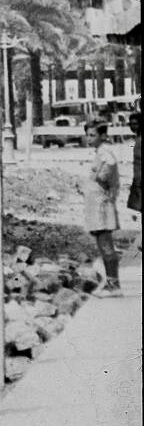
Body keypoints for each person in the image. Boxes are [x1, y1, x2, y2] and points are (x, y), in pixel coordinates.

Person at [83, 122, 121, 297]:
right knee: (103, 245)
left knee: (106, 246)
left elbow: (105, 175)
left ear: (103, 136)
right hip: (97, 205)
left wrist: (97, 176)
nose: (89, 138)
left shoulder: (105, 153)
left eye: (93, 135)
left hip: (102, 205)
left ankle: (114, 285)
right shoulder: (99, 152)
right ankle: (111, 283)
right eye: (88, 135)